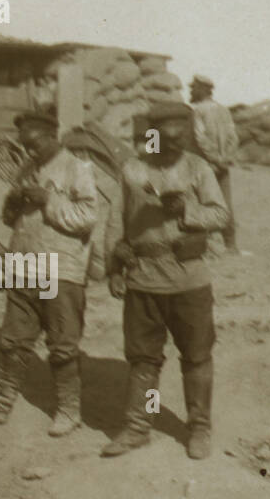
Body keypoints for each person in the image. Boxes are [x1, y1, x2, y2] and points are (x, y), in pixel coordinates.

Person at [0, 110, 98, 436]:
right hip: (25, 266)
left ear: (52, 136)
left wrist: (49, 200)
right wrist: (14, 202)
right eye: (24, 145)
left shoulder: (77, 168)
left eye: (33, 144)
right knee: (14, 339)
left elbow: (88, 216)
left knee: (61, 342)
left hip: (57, 268)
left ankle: (68, 410)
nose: (28, 151)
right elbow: (11, 220)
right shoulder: (27, 169)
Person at [102, 101, 230, 461]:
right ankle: (138, 426)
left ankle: (199, 427)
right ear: (153, 135)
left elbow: (221, 215)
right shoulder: (132, 171)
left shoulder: (198, 168)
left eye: (181, 139)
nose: (174, 146)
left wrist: (187, 212)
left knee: (196, 355)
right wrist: (113, 266)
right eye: (166, 139)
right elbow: (116, 221)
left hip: (189, 280)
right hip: (143, 280)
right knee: (143, 359)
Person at [189, 74, 240, 252]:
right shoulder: (223, 110)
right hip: (223, 164)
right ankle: (231, 245)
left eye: (193, 88)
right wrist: (226, 159)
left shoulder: (198, 111)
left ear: (203, 89)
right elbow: (233, 138)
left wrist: (215, 159)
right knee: (226, 203)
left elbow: (200, 138)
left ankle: (205, 245)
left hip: (207, 164)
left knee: (203, 202)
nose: (191, 90)